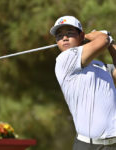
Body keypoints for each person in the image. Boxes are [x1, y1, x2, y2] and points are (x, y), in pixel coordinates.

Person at [50, 15, 116, 150]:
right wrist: (101, 36)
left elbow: (105, 42)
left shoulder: (100, 66)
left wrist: (111, 42)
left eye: (70, 33)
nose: (64, 38)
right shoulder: (64, 60)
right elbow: (102, 41)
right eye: (59, 35)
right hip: (88, 145)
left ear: (81, 36)